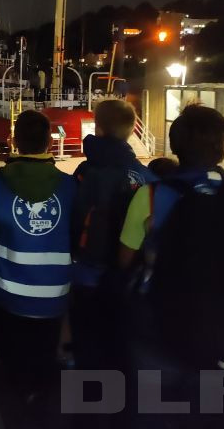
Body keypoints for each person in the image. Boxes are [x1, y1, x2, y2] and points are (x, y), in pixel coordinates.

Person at [119, 104, 224, 379]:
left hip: (159, 321)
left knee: (153, 394)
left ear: (175, 146)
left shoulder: (151, 195)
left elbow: (124, 259)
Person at [0, 110, 76, 427]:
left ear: (14, 141)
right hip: (55, 301)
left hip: (9, 299)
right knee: (46, 373)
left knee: (10, 375)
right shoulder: (70, 187)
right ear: (49, 140)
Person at [70, 100, 155, 372]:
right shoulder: (146, 176)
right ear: (130, 130)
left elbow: (75, 219)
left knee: (87, 341)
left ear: (98, 128)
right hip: (130, 276)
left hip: (89, 271)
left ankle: (87, 389)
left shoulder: (88, 172)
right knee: (120, 343)